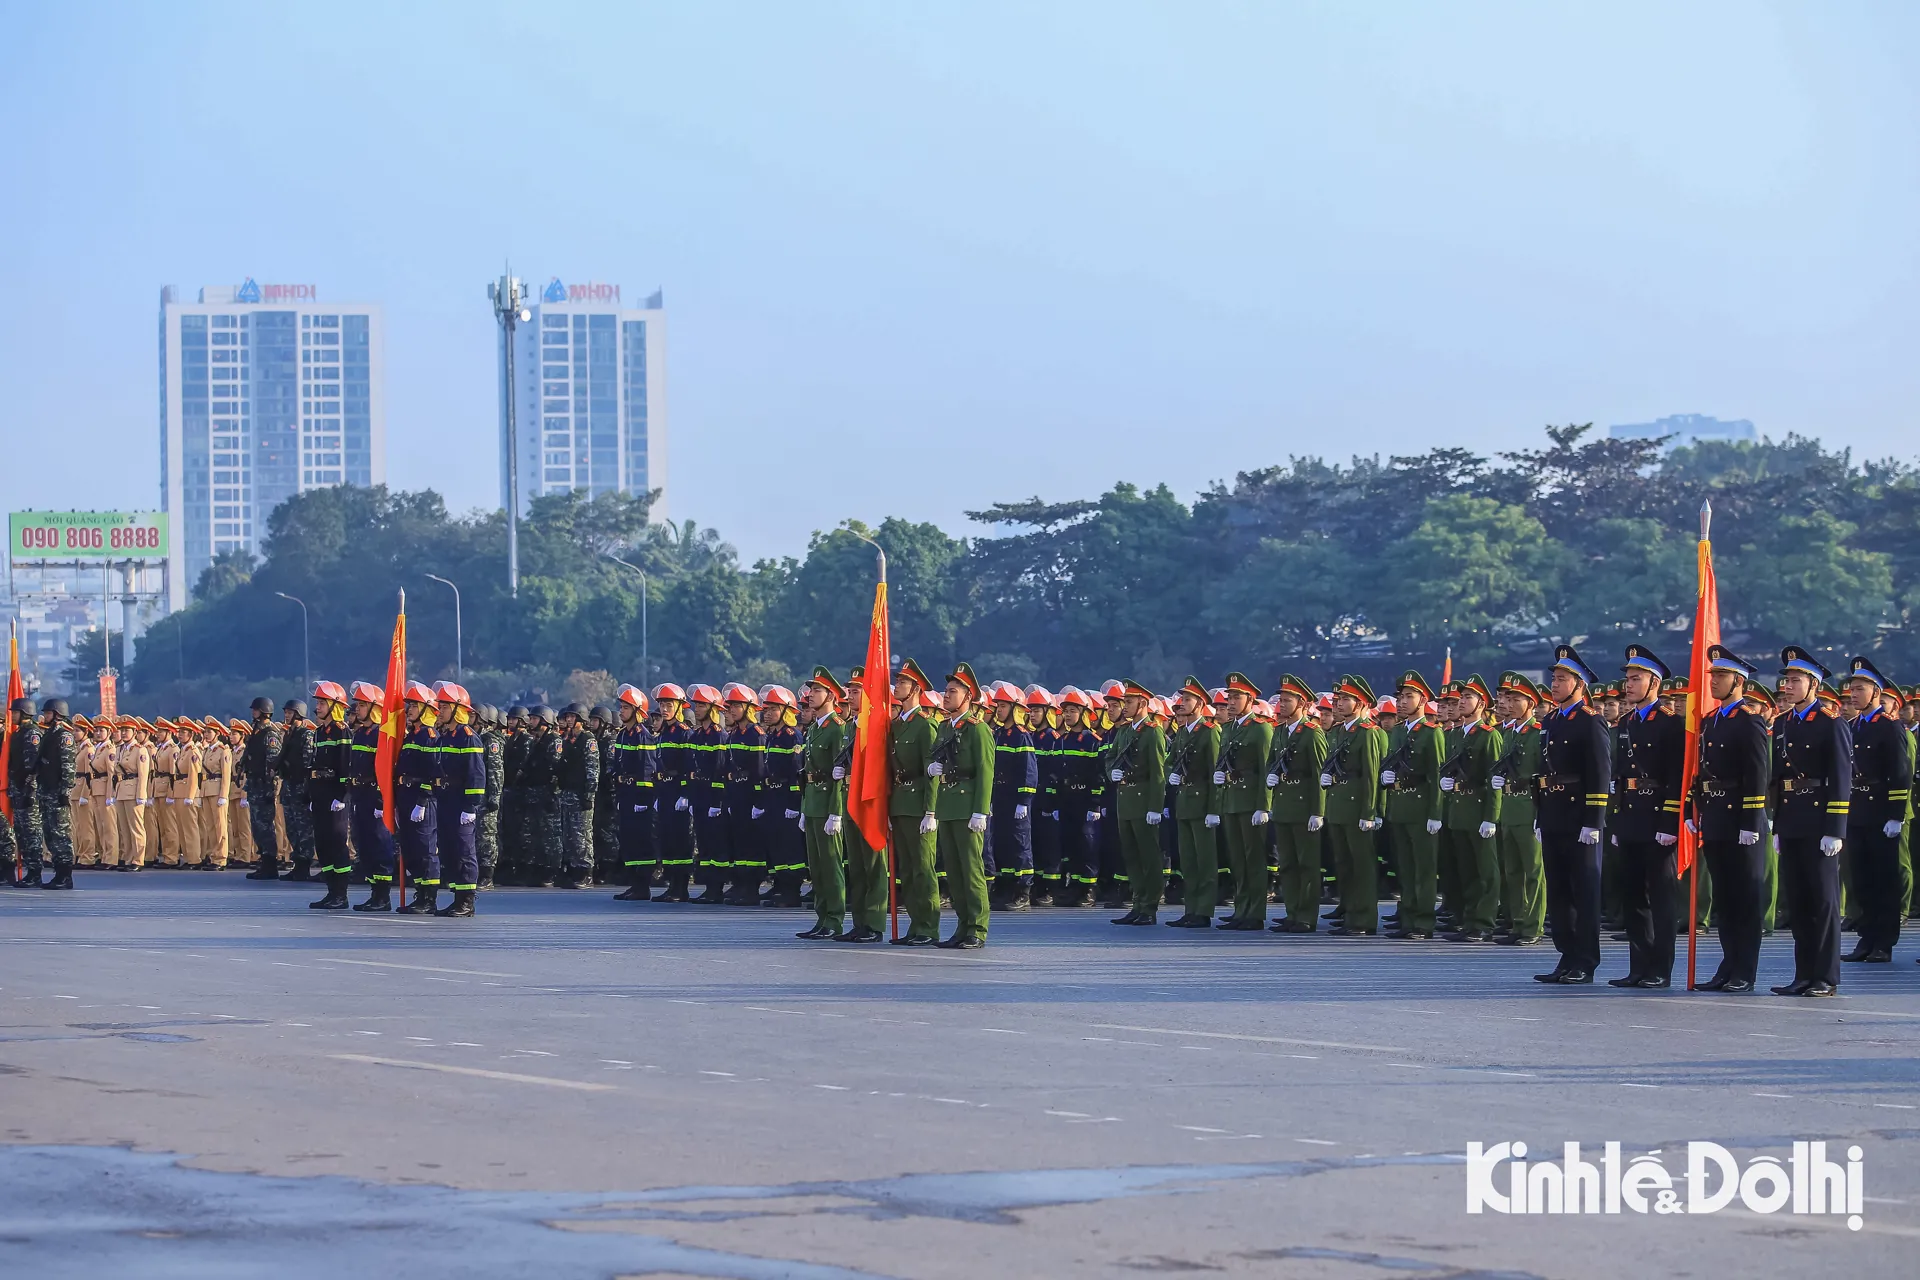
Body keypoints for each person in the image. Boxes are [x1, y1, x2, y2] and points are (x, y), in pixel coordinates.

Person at [1767, 647, 1851, 995]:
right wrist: (1776, 823)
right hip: (1792, 821)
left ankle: (1826, 977)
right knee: (1799, 902)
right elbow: (1778, 777)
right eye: (1786, 679)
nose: (1788, 686)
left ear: (1813, 684)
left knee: (1823, 901)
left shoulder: (1831, 722)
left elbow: (1842, 776)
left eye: (1796, 680)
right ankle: (1803, 975)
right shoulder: (1785, 722)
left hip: (1819, 822)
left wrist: (1834, 829)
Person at [1532, 646, 1612, 985]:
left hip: (1580, 818)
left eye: (1562, 679)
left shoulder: (1591, 721)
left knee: (1584, 892)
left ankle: (1585, 960)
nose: (1555, 683)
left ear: (1579, 684)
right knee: (1560, 893)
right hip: (1553, 815)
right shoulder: (1550, 720)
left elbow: (1600, 772)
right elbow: (1541, 770)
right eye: (1554, 678)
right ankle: (1566, 956)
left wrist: (1594, 820)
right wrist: (1539, 814)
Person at [1607, 646, 1686, 987]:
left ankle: (1660, 969)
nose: (1629, 685)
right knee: (1633, 895)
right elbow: (1620, 774)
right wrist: (1615, 821)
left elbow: (1676, 776)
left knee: (1661, 897)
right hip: (1630, 817)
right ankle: (1638, 965)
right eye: (1627, 679)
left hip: (1657, 819)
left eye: (1636, 679)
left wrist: (1670, 823)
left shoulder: (1670, 723)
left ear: (1654, 683)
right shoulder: (1626, 722)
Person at [1840, 656, 1909, 964]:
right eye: (1852, 689)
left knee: (1884, 879)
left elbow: (1900, 773)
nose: (1853, 694)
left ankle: (1884, 941)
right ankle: (1866, 938)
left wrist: (1896, 814)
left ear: (1876, 693)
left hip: (1881, 812)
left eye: (1860, 689)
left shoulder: (1889, 727)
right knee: (1862, 879)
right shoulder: (1853, 725)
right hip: (1857, 811)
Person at [928, 662, 995, 948]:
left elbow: (985, 771)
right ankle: (962, 926)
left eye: (953, 691)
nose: (946, 695)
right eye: (946, 691)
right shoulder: (945, 727)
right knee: (954, 873)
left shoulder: (977, 730)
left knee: (971, 871)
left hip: (968, 807)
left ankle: (977, 929)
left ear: (968, 697)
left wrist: (980, 810)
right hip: (948, 806)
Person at [1439, 675, 1503, 942]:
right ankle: (1467, 919)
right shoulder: (1455, 735)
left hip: (1479, 810)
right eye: (1461, 698)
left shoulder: (1489, 736)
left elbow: (1495, 780)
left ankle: (1484, 921)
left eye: (1468, 698)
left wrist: (1491, 817)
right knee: (1465, 870)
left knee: (1485, 871)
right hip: (1459, 810)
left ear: (1482, 704)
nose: (1462, 702)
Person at [1380, 671, 1442, 939]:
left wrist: (1435, 813)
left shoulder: (1431, 733)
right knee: (1404, 868)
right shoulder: (1397, 732)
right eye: (1401, 697)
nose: (1403, 702)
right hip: (1400, 805)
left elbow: (1436, 776)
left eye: (1409, 697)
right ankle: (1406, 917)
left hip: (1420, 808)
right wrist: (1386, 779)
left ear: (1423, 700)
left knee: (1423, 869)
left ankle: (1423, 922)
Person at [1323, 675, 1387, 936]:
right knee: (1344, 863)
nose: (1338, 703)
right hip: (1339, 804)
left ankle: (1364, 919)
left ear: (1360, 703)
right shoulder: (1341, 731)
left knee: (1362, 865)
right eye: (1338, 699)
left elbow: (1372, 775)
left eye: (1345, 699)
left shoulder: (1367, 732)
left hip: (1356, 806)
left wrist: (1369, 811)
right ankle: (1350, 912)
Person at [1211, 672, 1272, 931]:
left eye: (1237, 697)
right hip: (1232, 800)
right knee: (1237, 859)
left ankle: (1254, 912)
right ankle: (1241, 908)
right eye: (1230, 697)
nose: (1231, 702)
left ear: (1251, 699)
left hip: (1250, 803)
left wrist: (1263, 805)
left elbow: (1266, 769)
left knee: (1253, 859)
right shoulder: (1229, 729)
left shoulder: (1261, 729)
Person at [887, 660, 942, 944]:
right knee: (906, 871)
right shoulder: (896, 726)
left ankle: (928, 927)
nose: (896, 687)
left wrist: (930, 811)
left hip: (919, 805)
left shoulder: (925, 726)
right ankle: (914, 926)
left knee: (923, 869)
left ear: (916, 689)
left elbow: (931, 771)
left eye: (902, 683)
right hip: (900, 804)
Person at [1106, 679, 1169, 926]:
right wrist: (1112, 771)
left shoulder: (1152, 732)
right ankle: (1138, 903)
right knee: (1131, 856)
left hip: (1143, 801)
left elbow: (1158, 773)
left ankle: (1149, 907)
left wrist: (1155, 807)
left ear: (1142, 703)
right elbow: (1110, 757)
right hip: (1126, 800)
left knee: (1148, 856)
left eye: (1129, 702)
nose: (1124, 707)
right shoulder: (1124, 731)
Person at [1490, 674, 1547, 946]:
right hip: (1510, 805)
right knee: (1512, 870)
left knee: (1533, 870)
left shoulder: (1538, 733)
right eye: (1508, 699)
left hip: (1529, 805)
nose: (1510, 704)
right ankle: (1517, 921)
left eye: (1517, 699)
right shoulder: (1508, 733)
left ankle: (1533, 926)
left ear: (1531, 703)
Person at [796, 667, 850, 939]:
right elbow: (808, 772)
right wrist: (805, 808)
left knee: (831, 865)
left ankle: (835, 919)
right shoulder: (814, 728)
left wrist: (836, 813)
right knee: (816, 866)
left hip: (829, 802)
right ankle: (822, 917)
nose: (810, 695)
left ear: (831, 695)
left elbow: (838, 774)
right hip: (814, 802)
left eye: (816, 690)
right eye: (811, 690)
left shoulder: (837, 729)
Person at [1165, 675, 1221, 928]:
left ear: (1200, 704)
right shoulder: (1182, 732)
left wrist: (1213, 809)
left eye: (1187, 699)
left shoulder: (1209, 733)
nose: (1182, 703)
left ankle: (1204, 910)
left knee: (1205, 861)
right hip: (1185, 802)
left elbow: (1215, 773)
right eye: (1181, 698)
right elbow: (1169, 763)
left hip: (1202, 804)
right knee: (1188, 860)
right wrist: (1171, 775)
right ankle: (1191, 908)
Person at [433, 682, 485, 916]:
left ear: (457, 709)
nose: (440, 711)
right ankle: (457, 897)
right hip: (445, 800)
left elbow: (476, 774)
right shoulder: (445, 737)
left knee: (464, 851)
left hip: (461, 803)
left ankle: (467, 901)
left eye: (444, 707)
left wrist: (470, 807)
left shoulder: (468, 738)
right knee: (449, 850)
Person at [1052, 687, 1105, 907]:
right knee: (1069, 844)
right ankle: (1073, 885)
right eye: (1065, 711)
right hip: (1066, 800)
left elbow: (1098, 774)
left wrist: (1095, 804)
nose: (1067, 715)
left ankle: (1089, 889)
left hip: (1085, 800)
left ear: (1083, 713)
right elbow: (1055, 773)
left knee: (1087, 844)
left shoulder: (1093, 741)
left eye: (1072, 711)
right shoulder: (1062, 740)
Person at [394, 680, 444, 915]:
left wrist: (422, 801)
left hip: (421, 800)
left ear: (426, 709)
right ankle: (419, 893)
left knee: (425, 850)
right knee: (411, 849)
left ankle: (429, 899)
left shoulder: (429, 736)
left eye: (414, 706)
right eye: (409, 706)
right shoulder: (411, 736)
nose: (409, 710)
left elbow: (432, 772)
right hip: (406, 797)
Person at [305, 681, 356, 910]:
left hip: (335, 795)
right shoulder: (318, 733)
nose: (318, 706)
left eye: (322, 702)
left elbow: (345, 765)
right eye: (317, 702)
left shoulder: (341, 730)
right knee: (323, 843)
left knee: (337, 844)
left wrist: (342, 796)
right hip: (320, 794)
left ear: (334, 705)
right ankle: (331, 891)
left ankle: (341, 894)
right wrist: (310, 796)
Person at [345, 683, 396, 911]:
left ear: (374, 708)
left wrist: (379, 800)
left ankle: (383, 897)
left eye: (363, 705)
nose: (358, 709)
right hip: (359, 797)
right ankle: (374, 892)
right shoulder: (360, 734)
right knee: (364, 846)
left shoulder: (380, 735)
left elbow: (385, 771)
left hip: (374, 798)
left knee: (379, 846)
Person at [609, 684, 660, 902]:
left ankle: (643, 885)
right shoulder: (623, 735)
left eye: (625, 708)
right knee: (628, 839)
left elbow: (647, 769)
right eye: (621, 707)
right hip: (626, 794)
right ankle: (634, 884)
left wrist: (642, 799)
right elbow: (618, 765)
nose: (621, 712)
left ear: (637, 711)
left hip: (640, 797)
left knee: (641, 840)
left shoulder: (643, 735)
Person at [758, 685, 806, 907]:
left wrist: (794, 804)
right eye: (766, 709)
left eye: (772, 709)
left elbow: (796, 772)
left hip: (786, 798)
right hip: (772, 796)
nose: (767, 713)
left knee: (790, 846)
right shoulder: (772, 736)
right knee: (774, 842)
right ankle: (779, 885)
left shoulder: (791, 736)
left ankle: (792, 890)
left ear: (785, 711)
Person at [720, 684, 767, 904]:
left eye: (736, 706)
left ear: (748, 708)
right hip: (736, 795)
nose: (731, 710)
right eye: (730, 706)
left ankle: (751, 888)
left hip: (749, 795)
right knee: (738, 840)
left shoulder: (755, 734)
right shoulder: (735, 734)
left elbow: (758, 770)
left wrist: (758, 801)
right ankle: (740, 884)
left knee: (751, 843)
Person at [650, 686, 696, 900]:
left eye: (669, 705)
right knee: (667, 838)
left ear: (679, 707)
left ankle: (681, 886)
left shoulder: (684, 732)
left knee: (680, 840)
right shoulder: (663, 733)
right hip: (666, 791)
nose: (664, 709)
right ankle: (672, 885)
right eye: (662, 705)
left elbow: (688, 765)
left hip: (678, 790)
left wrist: (685, 794)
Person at [555, 702, 602, 891]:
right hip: (567, 793)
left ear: (580, 719)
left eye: (572, 717)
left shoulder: (588, 740)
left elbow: (593, 769)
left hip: (581, 794)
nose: (568, 720)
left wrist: (589, 794)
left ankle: (585, 872)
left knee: (582, 834)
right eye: (567, 717)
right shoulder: (568, 740)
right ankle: (573, 869)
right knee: (569, 835)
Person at [33, 699, 78, 889]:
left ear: (57, 714)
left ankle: (65, 876)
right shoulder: (49, 734)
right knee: (50, 834)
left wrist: (65, 791)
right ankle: (58, 874)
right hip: (47, 790)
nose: (45, 716)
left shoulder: (64, 736)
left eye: (49, 713)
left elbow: (68, 766)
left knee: (61, 834)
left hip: (57, 792)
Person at [241, 697, 284, 879]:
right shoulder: (256, 732)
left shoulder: (270, 734)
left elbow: (272, 763)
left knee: (265, 826)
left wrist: (269, 789)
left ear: (264, 711)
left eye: (256, 710)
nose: (253, 713)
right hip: (255, 785)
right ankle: (264, 861)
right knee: (257, 826)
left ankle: (270, 864)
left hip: (264, 787)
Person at [277, 699, 317, 882]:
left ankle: (304, 864)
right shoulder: (289, 734)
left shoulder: (306, 735)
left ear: (298, 714)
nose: (286, 715)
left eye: (290, 712)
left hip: (300, 786)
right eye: (286, 712)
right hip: (289, 786)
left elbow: (307, 762)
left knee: (303, 828)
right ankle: (297, 861)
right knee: (291, 828)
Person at [112, 716, 153, 872]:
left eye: (126, 730)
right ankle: (128, 858)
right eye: (122, 730)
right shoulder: (120, 749)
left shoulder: (140, 750)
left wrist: (141, 795)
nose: (123, 733)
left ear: (135, 732)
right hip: (122, 790)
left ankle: (138, 859)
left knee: (136, 827)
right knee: (125, 828)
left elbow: (143, 774)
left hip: (133, 790)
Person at [476, 704, 506, 890]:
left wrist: (494, 797)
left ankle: (487, 874)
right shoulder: (473, 737)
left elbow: (495, 771)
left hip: (486, 796)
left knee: (487, 835)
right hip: (473, 795)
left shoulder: (490, 740)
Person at [197, 715, 233, 871]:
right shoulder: (206, 750)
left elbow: (226, 774)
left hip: (217, 789)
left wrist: (224, 795)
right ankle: (214, 856)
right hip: (206, 789)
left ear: (217, 734)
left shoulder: (223, 750)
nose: (206, 734)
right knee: (210, 826)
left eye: (210, 732)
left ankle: (221, 858)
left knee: (220, 826)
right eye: (205, 731)